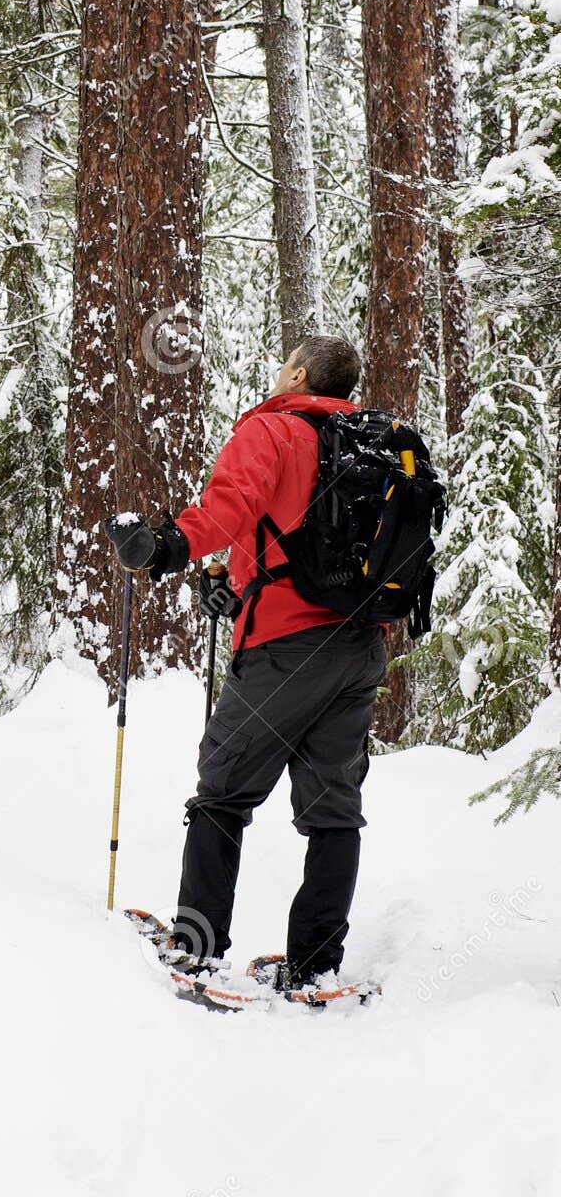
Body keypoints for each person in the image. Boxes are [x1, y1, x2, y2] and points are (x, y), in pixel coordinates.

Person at [106, 335, 385, 992]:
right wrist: (236, 586)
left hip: (284, 649)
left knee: (223, 790)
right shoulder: (373, 445)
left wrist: (163, 547)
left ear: (299, 373)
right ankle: (315, 966)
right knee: (334, 807)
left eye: (286, 363)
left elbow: (226, 510)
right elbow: (311, 537)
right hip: (360, 646)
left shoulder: (274, 430)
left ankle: (196, 950)